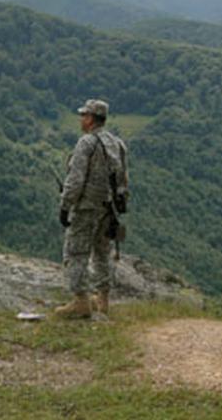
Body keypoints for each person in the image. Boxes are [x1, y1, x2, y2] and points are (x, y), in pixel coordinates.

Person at [55, 99, 128, 318]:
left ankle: (80, 301)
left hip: (86, 207)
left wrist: (65, 205)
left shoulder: (86, 143)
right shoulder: (117, 144)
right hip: (109, 209)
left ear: (90, 119)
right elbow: (124, 180)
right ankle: (103, 301)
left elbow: (76, 180)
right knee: (102, 253)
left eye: (83, 115)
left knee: (76, 252)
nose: (81, 119)